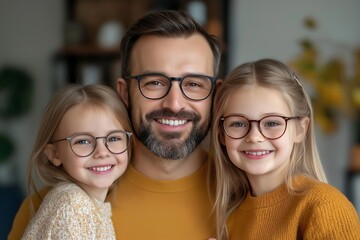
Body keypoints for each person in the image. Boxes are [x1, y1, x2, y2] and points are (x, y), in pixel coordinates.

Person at [9, 10, 222, 240]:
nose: (174, 103)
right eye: (154, 82)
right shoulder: (53, 211)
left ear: (216, 95)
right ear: (125, 93)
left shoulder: (245, 198)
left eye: (194, 84)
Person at [209, 58, 360, 240]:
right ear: (221, 135)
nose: (254, 136)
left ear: (299, 130)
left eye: (272, 122)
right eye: (238, 123)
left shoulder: (324, 206)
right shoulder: (229, 216)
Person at [20, 84, 133, 239]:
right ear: (54, 154)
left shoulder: (87, 204)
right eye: (83, 141)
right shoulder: (73, 205)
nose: (102, 152)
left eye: (114, 138)